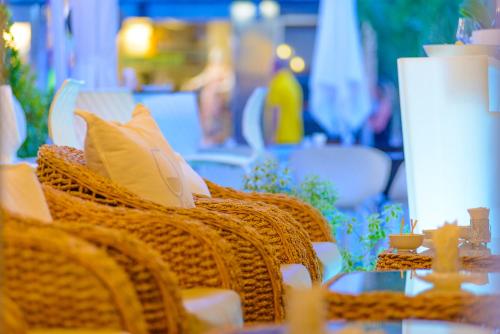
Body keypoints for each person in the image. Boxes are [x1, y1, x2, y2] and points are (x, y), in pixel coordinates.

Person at [264, 60, 304, 144]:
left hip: (281, 137)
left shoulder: (277, 84)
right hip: (295, 136)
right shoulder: (293, 82)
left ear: (273, 68)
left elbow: (275, 112)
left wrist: (272, 136)